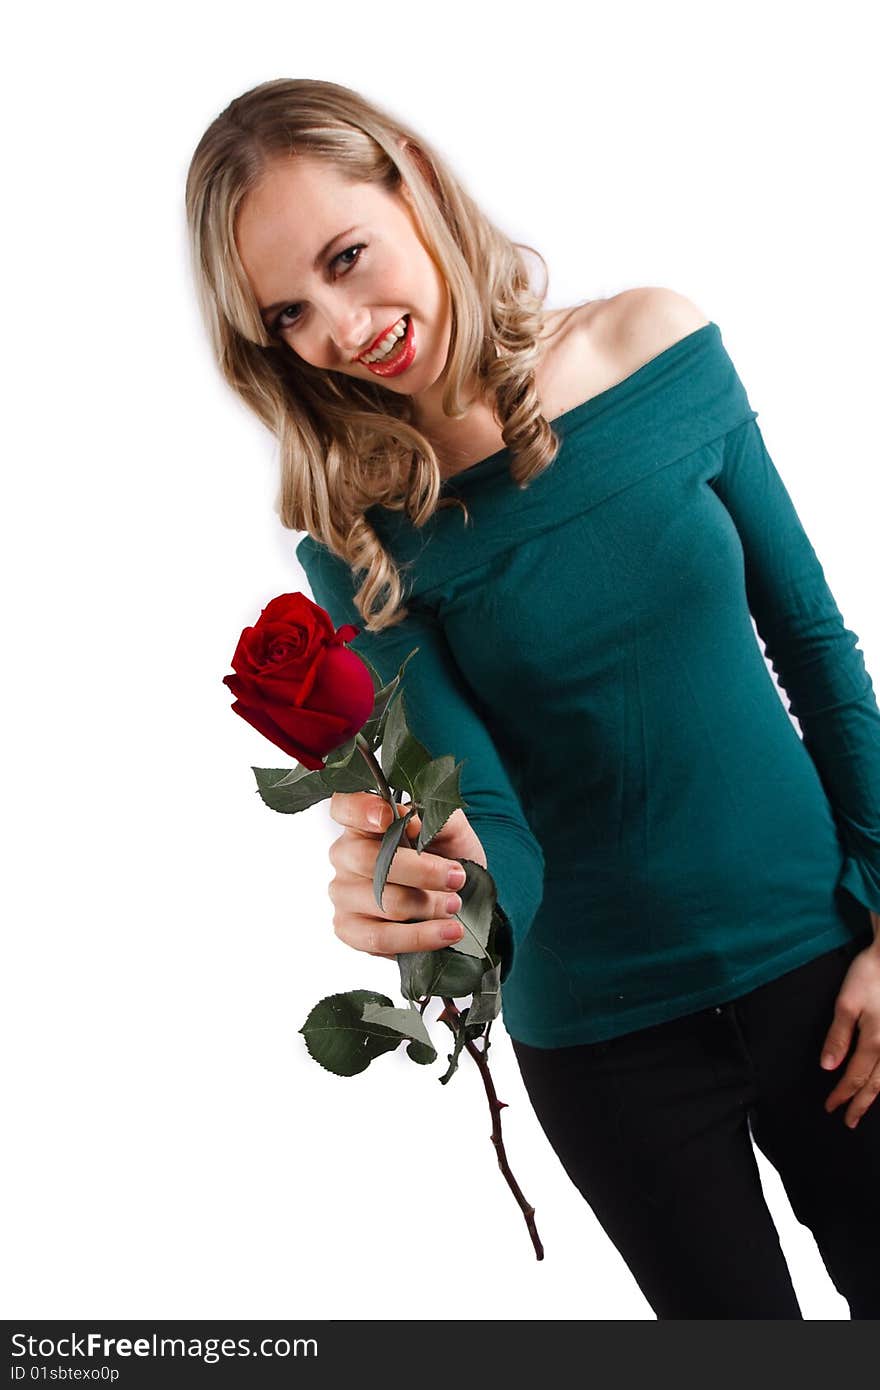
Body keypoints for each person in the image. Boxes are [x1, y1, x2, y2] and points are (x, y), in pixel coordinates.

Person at [185, 77, 880, 1319]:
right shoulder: (352, 539)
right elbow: (492, 820)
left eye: (348, 258)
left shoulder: (654, 345)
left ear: (408, 173)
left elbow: (817, 653)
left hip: (833, 976)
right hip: (610, 1052)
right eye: (292, 313)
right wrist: (436, 900)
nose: (344, 329)